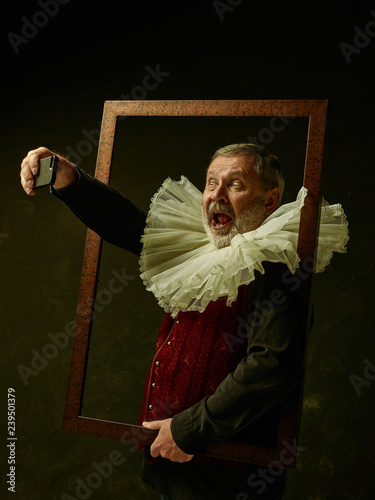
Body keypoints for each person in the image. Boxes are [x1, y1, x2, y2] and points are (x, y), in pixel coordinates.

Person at [20, 143, 348, 500]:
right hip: (176, 469)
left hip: (227, 480)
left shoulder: (275, 264)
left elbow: (274, 365)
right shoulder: (203, 250)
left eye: (234, 185)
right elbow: (132, 225)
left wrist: (188, 429)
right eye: (210, 183)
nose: (216, 196)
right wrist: (71, 179)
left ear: (269, 201)